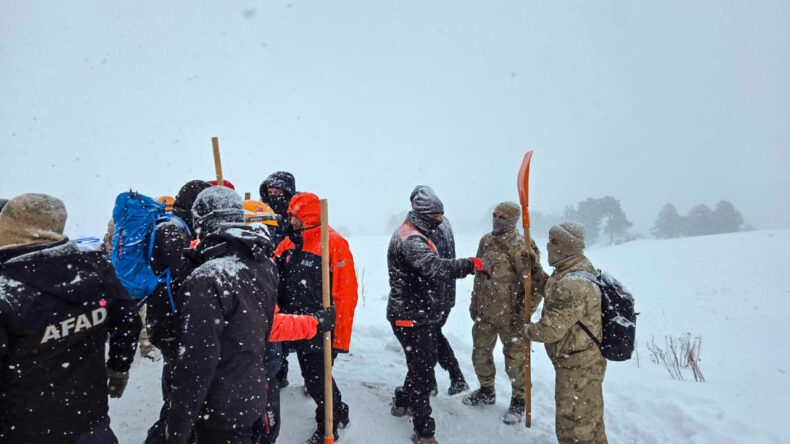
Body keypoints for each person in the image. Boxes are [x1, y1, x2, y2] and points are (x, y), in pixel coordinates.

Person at [0, 193, 141, 443]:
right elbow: (128, 317)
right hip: (90, 418)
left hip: (24, 428)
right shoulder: (95, 270)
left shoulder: (9, 292)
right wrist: (119, 366)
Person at [146, 186, 278, 443]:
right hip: (250, 394)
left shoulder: (208, 278)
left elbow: (197, 362)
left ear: (202, 222)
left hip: (217, 409)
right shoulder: (265, 264)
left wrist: (176, 428)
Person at [387, 186, 492, 444]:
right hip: (408, 316)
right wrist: (472, 264)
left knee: (422, 364)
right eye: (435, 216)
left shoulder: (422, 231)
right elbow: (433, 267)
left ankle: (402, 399)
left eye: (441, 215)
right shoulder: (410, 238)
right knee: (423, 372)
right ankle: (424, 431)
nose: (439, 220)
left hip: (422, 313)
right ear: (421, 214)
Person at [274, 192, 358, 444]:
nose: (290, 220)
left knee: (316, 380)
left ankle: (327, 425)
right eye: (289, 215)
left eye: (294, 216)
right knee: (316, 378)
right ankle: (339, 410)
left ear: (307, 216)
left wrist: (339, 338)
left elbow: (346, 295)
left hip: (323, 327)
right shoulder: (290, 242)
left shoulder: (333, 243)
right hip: (297, 325)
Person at [463, 202, 548, 425]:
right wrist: (474, 303)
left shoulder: (523, 246)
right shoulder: (486, 241)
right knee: (480, 355)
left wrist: (525, 314)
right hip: (485, 313)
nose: (497, 220)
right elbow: (479, 274)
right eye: (495, 215)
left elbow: (538, 284)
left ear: (512, 221)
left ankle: (519, 401)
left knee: (515, 362)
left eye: (502, 217)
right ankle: (486, 390)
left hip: (512, 317)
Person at [524, 222, 608, 444]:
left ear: (568, 245)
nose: (549, 246)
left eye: (555, 242)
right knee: (590, 422)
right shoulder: (575, 268)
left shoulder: (573, 283)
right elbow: (552, 290)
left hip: (577, 367)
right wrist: (535, 269)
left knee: (573, 427)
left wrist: (526, 330)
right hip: (585, 360)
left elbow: (550, 330)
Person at [414, 187, 468, 397]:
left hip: (434, 294)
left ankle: (445, 379)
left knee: (430, 337)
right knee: (433, 335)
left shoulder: (430, 228)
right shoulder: (445, 223)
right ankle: (449, 378)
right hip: (445, 292)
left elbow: (432, 266)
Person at [259, 171, 296, 246]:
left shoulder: (296, 210)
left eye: (276, 192)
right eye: (270, 192)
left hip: (289, 249)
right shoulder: (262, 208)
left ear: (287, 193)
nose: (273, 195)